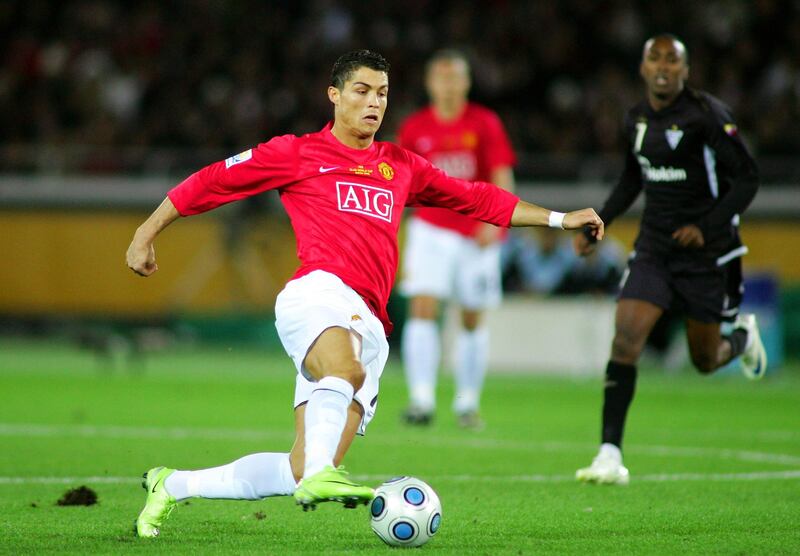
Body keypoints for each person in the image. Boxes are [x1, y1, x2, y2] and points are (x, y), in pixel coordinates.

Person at [126, 49, 605, 538]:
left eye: (382, 94)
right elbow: (214, 181)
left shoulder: (400, 165)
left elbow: (477, 197)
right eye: (361, 90)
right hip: (317, 294)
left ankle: (173, 484)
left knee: (301, 464)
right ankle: (320, 475)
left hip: (371, 322)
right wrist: (146, 231)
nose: (374, 103)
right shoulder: (297, 153)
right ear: (334, 95)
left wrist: (559, 218)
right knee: (344, 373)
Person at [573, 35, 766, 486]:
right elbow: (631, 179)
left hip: (706, 254)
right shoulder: (636, 118)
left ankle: (740, 340)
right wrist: (599, 222)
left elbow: (748, 179)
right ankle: (609, 454)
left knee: (704, 359)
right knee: (626, 339)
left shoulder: (707, 116)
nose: (663, 67)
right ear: (642, 68)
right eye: (654, 58)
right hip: (655, 249)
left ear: (685, 69)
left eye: (672, 60)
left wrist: (708, 225)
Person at [398, 49, 516, 430]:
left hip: (474, 230)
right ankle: (421, 399)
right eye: (441, 78)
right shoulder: (415, 128)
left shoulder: (484, 123)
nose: (448, 85)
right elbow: (399, 182)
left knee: (471, 316)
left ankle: (467, 402)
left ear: (466, 83)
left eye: (455, 78)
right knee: (423, 307)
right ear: (430, 84)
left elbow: (501, 173)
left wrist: (496, 222)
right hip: (430, 228)